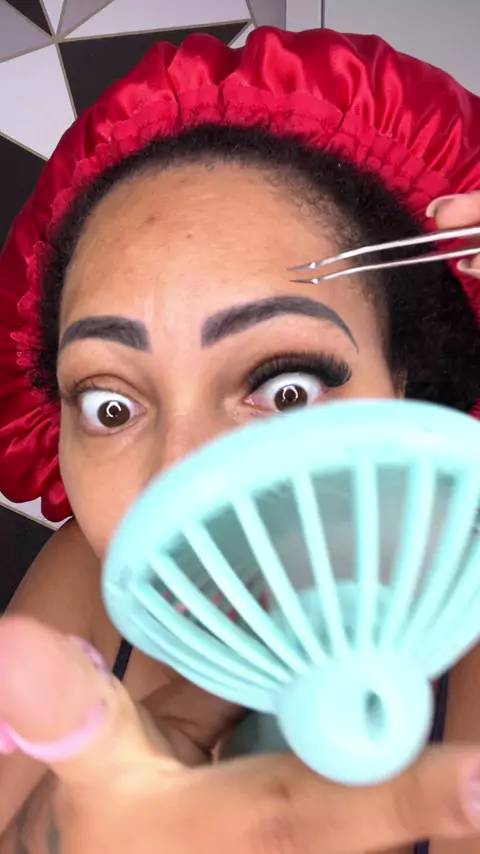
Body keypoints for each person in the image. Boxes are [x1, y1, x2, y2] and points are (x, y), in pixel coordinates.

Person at [0, 24, 479, 854]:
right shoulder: (89, 581)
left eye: (286, 388)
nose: (180, 476)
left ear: (409, 388)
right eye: (110, 407)